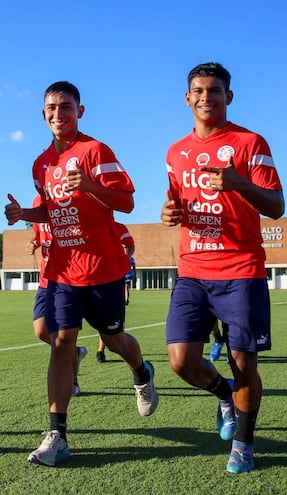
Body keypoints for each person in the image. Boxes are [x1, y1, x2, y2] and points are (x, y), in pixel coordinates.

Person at [5, 81, 158, 467]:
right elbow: (52, 211)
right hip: (62, 270)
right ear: (43, 114)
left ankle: (141, 372)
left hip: (103, 267)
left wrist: (90, 185)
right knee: (61, 341)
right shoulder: (41, 163)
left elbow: (126, 201)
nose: (59, 114)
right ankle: (57, 434)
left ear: (80, 110)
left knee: (115, 337)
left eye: (67, 106)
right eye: (52, 108)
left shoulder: (95, 151)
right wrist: (26, 215)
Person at [161, 62, 284, 474]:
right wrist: (169, 212)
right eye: (198, 90)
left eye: (214, 90)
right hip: (193, 269)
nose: (205, 97)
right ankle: (223, 394)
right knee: (180, 361)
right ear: (187, 97)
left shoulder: (250, 143)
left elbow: (277, 206)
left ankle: (244, 445)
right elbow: (175, 200)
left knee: (244, 362)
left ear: (228, 96)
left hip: (241, 270)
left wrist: (240, 184)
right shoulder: (175, 151)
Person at [26, 195, 88, 396]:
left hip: (69, 279)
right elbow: (38, 232)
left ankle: (73, 381)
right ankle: (75, 352)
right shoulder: (37, 201)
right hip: (45, 279)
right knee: (40, 331)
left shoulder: (72, 197)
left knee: (64, 338)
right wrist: (34, 243)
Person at [96, 221, 135, 363]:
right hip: (91, 282)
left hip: (113, 282)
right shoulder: (86, 225)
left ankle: (139, 370)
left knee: (114, 333)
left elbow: (130, 245)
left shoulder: (119, 227)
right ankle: (99, 351)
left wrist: (123, 258)